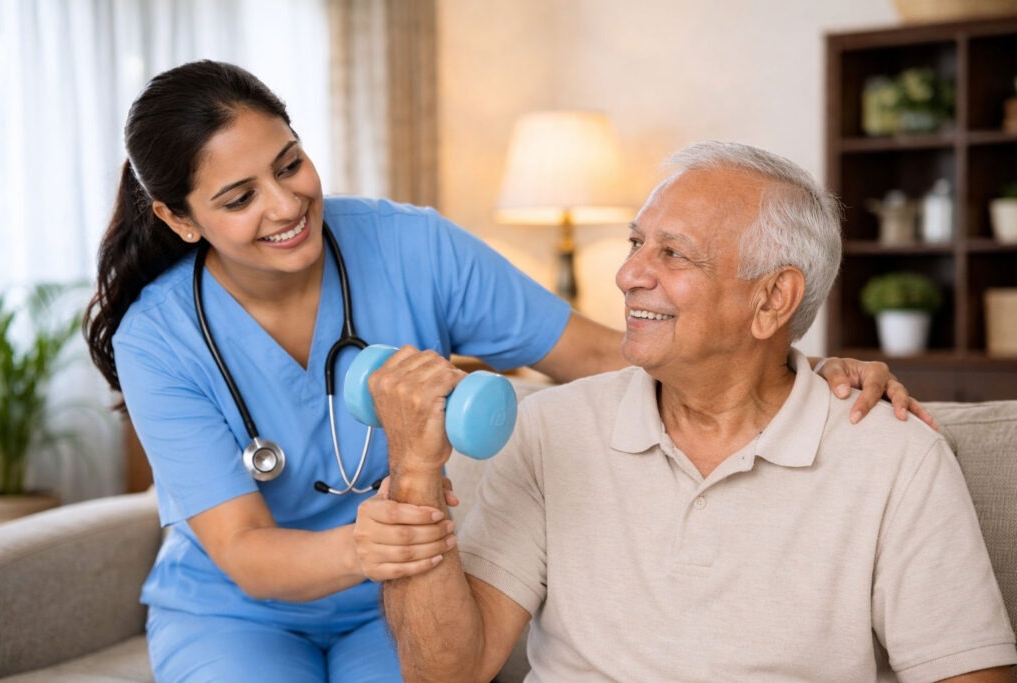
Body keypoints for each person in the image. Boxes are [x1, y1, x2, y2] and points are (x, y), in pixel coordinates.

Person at [82, 59, 919, 682]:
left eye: (290, 163)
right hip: (241, 607)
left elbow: (598, 355)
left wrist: (793, 368)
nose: (286, 203)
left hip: (397, 597)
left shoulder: (408, 243)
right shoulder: (158, 335)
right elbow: (248, 551)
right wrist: (376, 539)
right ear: (177, 218)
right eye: (238, 198)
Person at [362, 141, 1017, 682]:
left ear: (772, 300)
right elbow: (447, 672)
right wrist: (415, 468)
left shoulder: (894, 456)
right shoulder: (549, 429)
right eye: (635, 243)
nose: (627, 275)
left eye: (671, 253)